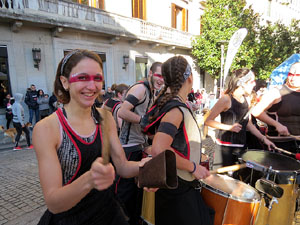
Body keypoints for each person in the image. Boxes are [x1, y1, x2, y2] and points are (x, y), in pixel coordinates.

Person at [33, 49, 151, 225]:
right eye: (82, 78)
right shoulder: (46, 128)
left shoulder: (105, 117)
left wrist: (150, 167)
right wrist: (90, 179)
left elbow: (123, 166)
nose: (92, 86)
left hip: (108, 214)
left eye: (97, 78)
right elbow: (53, 202)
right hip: (70, 219)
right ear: (64, 82)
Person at [148, 56, 214, 225]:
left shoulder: (169, 103)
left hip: (176, 185)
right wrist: (193, 166)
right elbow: (158, 149)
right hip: (177, 188)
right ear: (190, 78)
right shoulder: (175, 109)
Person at [116, 61, 163, 225]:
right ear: (150, 73)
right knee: (124, 194)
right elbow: (122, 111)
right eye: (158, 75)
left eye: (164, 77)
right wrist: (144, 121)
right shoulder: (141, 88)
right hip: (128, 148)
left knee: (136, 194)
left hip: (139, 146)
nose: (161, 79)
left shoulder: (152, 92)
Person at [205, 68, 275, 169]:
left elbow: (249, 124)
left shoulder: (247, 99)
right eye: (252, 81)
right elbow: (207, 121)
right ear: (242, 83)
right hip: (225, 148)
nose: (254, 84)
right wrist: (229, 127)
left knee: (236, 181)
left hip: (241, 147)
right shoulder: (226, 99)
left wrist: (264, 139)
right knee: (222, 181)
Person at [252, 62, 300, 153]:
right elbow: (256, 111)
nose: (292, 78)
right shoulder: (276, 92)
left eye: (297, 75)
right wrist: (277, 125)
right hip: (278, 144)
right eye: (290, 74)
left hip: (297, 143)